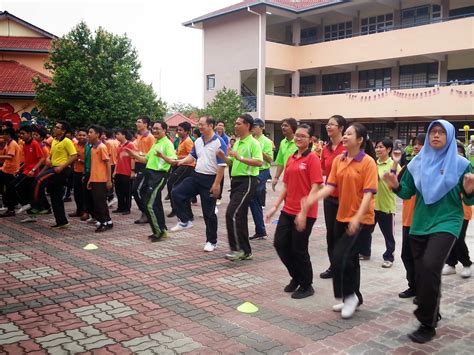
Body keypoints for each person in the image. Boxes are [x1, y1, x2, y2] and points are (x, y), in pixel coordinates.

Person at [383, 119, 474, 343]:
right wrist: (395, 185)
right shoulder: (417, 163)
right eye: (432, 132)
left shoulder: (462, 164)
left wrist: (470, 192)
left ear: (450, 137)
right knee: (421, 272)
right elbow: (407, 193)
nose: (435, 136)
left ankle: (427, 324)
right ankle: (432, 309)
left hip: (448, 221)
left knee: (431, 266)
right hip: (420, 222)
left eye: (441, 132)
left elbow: (469, 196)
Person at [297, 123, 377, 319]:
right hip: (342, 217)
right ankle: (353, 297)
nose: (345, 136)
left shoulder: (368, 163)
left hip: (362, 220)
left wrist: (357, 217)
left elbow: (368, 194)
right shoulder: (339, 161)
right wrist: (310, 200)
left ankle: (349, 297)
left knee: (342, 256)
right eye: (346, 133)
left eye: (350, 134)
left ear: (360, 140)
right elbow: (330, 187)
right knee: (347, 259)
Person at [266, 124, 323, 299]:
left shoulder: (312, 158)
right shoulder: (291, 158)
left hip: (306, 213)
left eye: (303, 136)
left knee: (299, 249)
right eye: (297, 135)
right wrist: (275, 206)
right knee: (280, 244)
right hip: (288, 210)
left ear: (311, 140)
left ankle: (307, 285)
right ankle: (296, 277)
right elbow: (287, 186)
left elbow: (317, 185)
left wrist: (304, 211)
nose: (298, 138)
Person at [171, 116, 226, 252]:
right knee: (176, 192)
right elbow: (193, 156)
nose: (199, 127)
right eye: (198, 124)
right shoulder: (198, 141)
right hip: (196, 176)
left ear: (210, 126)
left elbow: (222, 165)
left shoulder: (219, 142)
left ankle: (211, 241)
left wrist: (217, 184)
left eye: (202, 124)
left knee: (209, 213)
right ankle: (185, 220)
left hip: (210, 179)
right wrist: (181, 161)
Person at [219, 114, 263, 261]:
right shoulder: (237, 142)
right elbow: (231, 162)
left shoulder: (253, 143)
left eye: (239, 124)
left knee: (231, 213)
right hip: (236, 182)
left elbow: (259, 162)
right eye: (236, 123)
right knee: (240, 216)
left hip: (248, 181)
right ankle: (245, 251)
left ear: (247, 126)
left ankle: (237, 249)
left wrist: (240, 158)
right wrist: (223, 156)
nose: (236, 126)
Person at [127, 121, 176, 241]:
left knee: (149, 204)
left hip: (159, 176)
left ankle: (159, 232)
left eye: (158, 129)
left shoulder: (167, 144)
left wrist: (162, 156)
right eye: (153, 128)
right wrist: (132, 154)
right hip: (150, 174)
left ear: (165, 130)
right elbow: (145, 160)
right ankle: (161, 230)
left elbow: (173, 161)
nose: (155, 130)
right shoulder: (156, 143)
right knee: (156, 204)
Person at [360, 138, 399, 267]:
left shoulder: (394, 165)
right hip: (372, 205)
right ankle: (365, 252)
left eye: (381, 147)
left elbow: (395, 183)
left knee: (388, 234)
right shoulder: (372, 164)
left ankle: (389, 257)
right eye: (377, 147)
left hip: (386, 206)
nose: (378, 149)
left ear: (388, 149)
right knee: (366, 231)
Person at [32, 120, 77, 228]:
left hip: (61, 170)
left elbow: (74, 156)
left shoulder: (67, 141)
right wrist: (47, 159)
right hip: (53, 168)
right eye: (55, 127)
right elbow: (50, 155)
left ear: (63, 131)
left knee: (39, 180)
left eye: (57, 127)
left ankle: (37, 206)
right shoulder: (55, 141)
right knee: (55, 196)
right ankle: (62, 222)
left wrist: (61, 167)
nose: (55, 129)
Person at [397, 133, 425, 299]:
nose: (416, 146)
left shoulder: (431, 167)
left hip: (422, 220)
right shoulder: (409, 166)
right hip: (408, 218)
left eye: (421, 144)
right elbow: (399, 185)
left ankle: (423, 290)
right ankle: (413, 286)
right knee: (406, 255)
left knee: (420, 258)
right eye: (415, 143)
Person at [319, 115, 347, 279]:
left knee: (342, 233)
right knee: (331, 234)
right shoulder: (325, 148)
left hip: (346, 197)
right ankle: (334, 266)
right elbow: (324, 170)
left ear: (341, 128)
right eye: (327, 124)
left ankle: (344, 266)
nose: (328, 127)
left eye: (332, 124)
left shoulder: (348, 146)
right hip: (330, 198)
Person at [441, 142, 472, 279]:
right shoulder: (445, 170)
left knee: (458, 238)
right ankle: (451, 263)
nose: (457, 155)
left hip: (463, 211)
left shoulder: (467, 170)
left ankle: (467, 263)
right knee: (448, 238)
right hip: (448, 210)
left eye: (460, 152)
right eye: (455, 152)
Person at [11, 126, 46, 215]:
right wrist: (19, 169)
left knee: (15, 186)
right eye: (20, 133)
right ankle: (30, 211)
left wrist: (33, 170)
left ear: (29, 134)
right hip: (26, 170)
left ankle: (27, 204)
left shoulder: (34, 143)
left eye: (23, 133)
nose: (21, 135)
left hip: (31, 173)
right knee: (22, 189)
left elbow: (42, 158)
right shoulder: (25, 144)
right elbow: (27, 160)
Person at [249, 118, 273, 240]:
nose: (253, 128)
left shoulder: (267, 142)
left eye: (255, 126)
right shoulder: (251, 140)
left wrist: (260, 151)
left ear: (262, 127)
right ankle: (260, 230)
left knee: (253, 197)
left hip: (262, 171)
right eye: (252, 126)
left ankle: (261, 230)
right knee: (254, 201)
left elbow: (270, 160)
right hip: (252, 171)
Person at [166, 122, 195, 219]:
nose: (178, 132)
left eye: (180, 130)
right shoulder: (181, 140)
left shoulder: (188, 141)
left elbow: (192, 156)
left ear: (186, 131)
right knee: (181, 189)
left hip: (187, 166)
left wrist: (177, 157)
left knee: (172, 184)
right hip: (180, 165)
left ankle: (177, 209)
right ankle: (183, 211)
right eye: (178, 130)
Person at [87, 125, 113, 232]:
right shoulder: (93, 147)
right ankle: (108, 221)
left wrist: (109, 180)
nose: (89, 134)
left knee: (100, 202)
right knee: (98, 201)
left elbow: (108, 164)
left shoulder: (102, 147)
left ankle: (104, 223)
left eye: (91, 132)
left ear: (97, 134)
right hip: (95, 179)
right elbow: (94, 165)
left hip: (101, 180)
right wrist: (90, 179)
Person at [132, 116, 155, 224]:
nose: (137, 124)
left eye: (139, 122)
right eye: (137, 122)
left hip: (146, 166)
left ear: (146, 124)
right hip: (139, 165)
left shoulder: (150, 137)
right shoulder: (139, 137)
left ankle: (146, 212)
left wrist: (139, 154)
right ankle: (145, 212)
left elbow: (153, 154)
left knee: (137, 190)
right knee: (140, 190)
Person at [0, 128, 22, 217]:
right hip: (5, 169)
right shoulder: (8, 143)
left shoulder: (12, 144)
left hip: (11, 170)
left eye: (3, 134)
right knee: (6, 188)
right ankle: (9, 206)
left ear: (8, 135)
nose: (2, 136)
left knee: (9, 189)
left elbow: (10, 156)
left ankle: (11, 209)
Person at [272, 118, 298, 192]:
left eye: (286, 125)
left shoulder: (299, 141)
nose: (283, 127)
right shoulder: (283, 142)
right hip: (287, 178)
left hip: (299, 177)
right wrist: (276, 177)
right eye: (282, 125)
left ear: (293, 127)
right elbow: (281, 162)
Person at [113, 128, 135, 215]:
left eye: (118, 134)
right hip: (119, 172)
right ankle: (120, 207)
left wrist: (132, 171)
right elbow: (117, 160)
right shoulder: (119, 146)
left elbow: (133, 158)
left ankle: (127, 208)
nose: (116, 136)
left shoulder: (130, 145)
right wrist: (115, 171)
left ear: (124, 135)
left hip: (127, 172)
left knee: (127, 191)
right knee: (118, 191)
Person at [69, 128, 88, 218]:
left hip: (85, 172)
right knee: (77, 193)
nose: (81, 137)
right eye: (80, 135)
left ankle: (85, 212)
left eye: (84, 135)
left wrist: (79, 159)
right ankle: (79, 210)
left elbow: (90, 161)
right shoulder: (74, 145)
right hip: (76, 171)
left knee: (85, 193)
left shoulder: (89, 146)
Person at [215, 120, 229, 205]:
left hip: (221, 159)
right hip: (214, 160)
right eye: (219, 125)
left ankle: (219, 197)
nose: (220, 127)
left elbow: (226, 148)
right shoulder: (214, 135)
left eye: (222, 125)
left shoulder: (225, 137)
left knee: (221, 178)